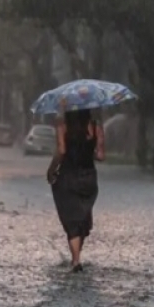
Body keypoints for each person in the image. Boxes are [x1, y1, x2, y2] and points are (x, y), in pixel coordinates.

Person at [50, 106, 104, 273]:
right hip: (89, 178)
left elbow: (61, 150)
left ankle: (75, 261)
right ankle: (77, 256)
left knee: (71, 219)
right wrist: (88, 150)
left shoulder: (63, 126)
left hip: (68, 177)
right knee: (82, 217)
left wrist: (51, 169)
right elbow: (101, 156)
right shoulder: (95, 127)